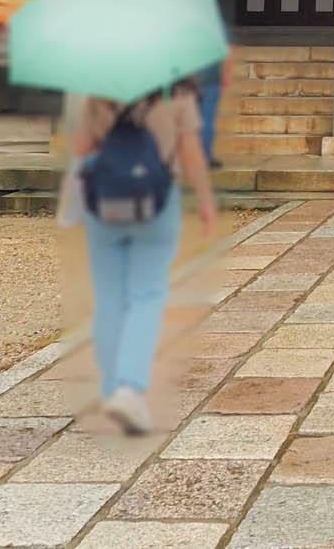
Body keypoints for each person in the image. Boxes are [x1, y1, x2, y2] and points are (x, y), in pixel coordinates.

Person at [70, 78, 218, 434]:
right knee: (147, 294)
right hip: (156, 199)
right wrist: (206, 201)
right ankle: (130, 387)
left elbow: (82, 147)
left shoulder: (99, 90)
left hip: (104, 200)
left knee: (109, 297)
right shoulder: (178, 92)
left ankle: (111, 388)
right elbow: (191, 151)